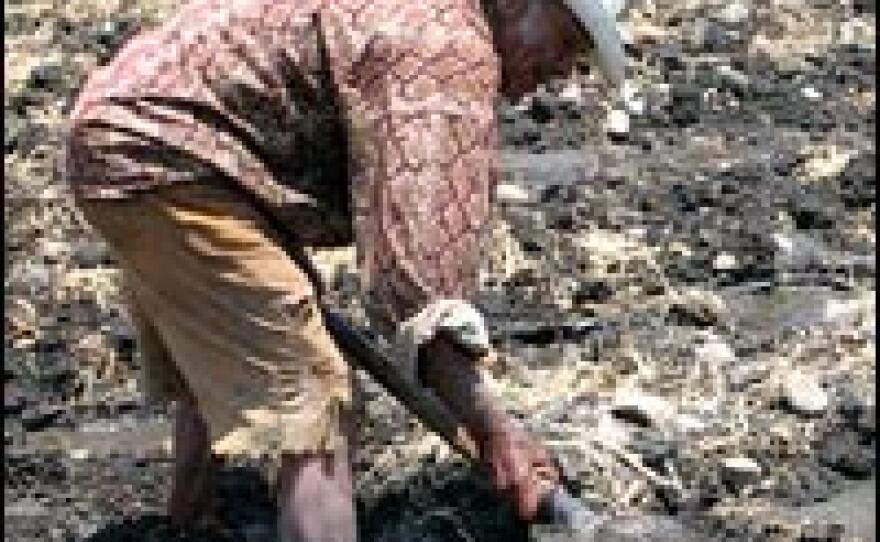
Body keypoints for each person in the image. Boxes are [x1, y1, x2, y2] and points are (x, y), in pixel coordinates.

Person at [63, 0, 625, 539]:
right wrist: (495, 432)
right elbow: (419, 288)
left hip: (144, 134)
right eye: (567, 43)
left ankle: (190, 525)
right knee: (316, 402)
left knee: (225, 353)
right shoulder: (444, 54)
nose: (563, 73)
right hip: (169, 160)